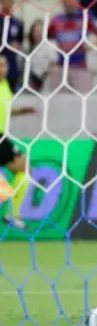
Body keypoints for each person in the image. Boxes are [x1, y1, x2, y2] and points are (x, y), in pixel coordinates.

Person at [0, 56, 34, 229]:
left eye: (5, 65)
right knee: (25, 169)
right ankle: (11, 213)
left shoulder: (5, 86)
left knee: (26, 171)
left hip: (2, 137)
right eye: (0, 65)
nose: (3, 68)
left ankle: (12, 213)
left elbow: (4, 109)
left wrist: (21, 111)